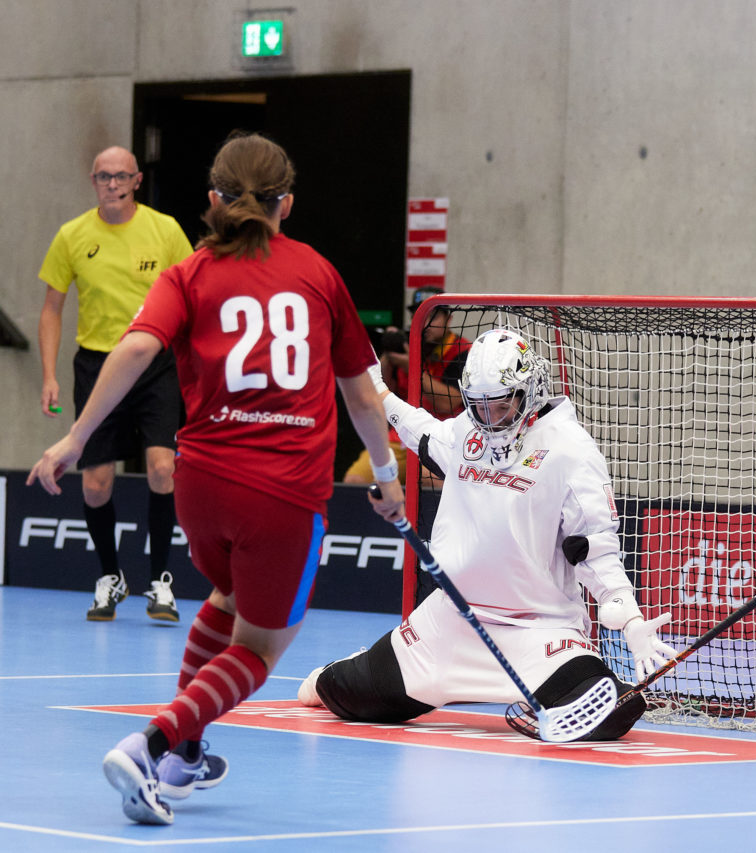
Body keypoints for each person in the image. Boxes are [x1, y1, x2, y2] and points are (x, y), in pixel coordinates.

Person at [28, 132, 405, 826]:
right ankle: (150, 744)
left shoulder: (189, 273)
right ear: (287, 202)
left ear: (212, 200)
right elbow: (360, 393)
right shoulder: (319, 273)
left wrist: (77, 436)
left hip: (201, 485)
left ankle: (186, 753)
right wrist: (386, 477)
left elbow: (137, 346)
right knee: (262, 647)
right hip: (282, 492)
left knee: (229, 596)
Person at [298, 328, 674, 741]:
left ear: (529, 389)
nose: (488, 418)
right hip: (449, 624)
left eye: (500, 406)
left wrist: (630, 619)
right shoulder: (467, 433)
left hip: (539, 632)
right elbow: (417, 426)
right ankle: (366, 664)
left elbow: (593, 548)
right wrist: (374, 388)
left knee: (616, 712)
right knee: (323, 692)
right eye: (477, 406)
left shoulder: (572, 451)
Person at [37, 145, 194, 622]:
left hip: (155, 363)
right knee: (97, 482)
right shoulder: (72, 236)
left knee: (162, 468)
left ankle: (160, 582)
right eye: (104, 176)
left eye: (121, 176)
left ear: (137, 180)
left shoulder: (164, 230)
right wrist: (48, 375)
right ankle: (111, 577)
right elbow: (51, 309)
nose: (112, 184)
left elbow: (194, 293)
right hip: (97, 367)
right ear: (93, 181)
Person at [342, 288, 469, 488]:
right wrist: (388, 356)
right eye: (420, 314)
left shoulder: (463, 351)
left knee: (431, 480)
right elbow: (382, 391)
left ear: (449, 319)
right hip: (401, 435)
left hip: (441, 438)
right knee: (355, 480)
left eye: (434, 316)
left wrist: (411, 366)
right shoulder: (406, 344)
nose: (426, 323)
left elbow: (448, 403)